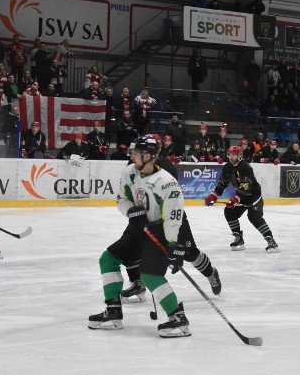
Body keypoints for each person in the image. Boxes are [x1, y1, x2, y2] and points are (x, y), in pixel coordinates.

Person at [87, 136, 220, 337]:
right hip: (138, 226)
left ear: (148, 156)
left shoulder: (167, 183)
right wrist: (131, 211)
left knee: (150, 274)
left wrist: (174, 247)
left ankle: (178, 319)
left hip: (160, 229)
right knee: (108, 259)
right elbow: (122, 199)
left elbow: (173, 218)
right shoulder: (130, 173)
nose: (131, 155)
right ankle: (113, 313)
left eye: (136, 153)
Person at [204, 145, 279, 253]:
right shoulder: (227, 167)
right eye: (230, 154)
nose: (231, 157)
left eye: (234, 155)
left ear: (239, 156)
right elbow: (222, 183)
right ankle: (238, 238)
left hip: (254, 196)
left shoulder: (245, 167)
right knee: (229, 211)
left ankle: (271, 240)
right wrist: (214, 195)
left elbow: (246, 184)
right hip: (242, 197)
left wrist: (236, 197)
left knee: (254, 217)